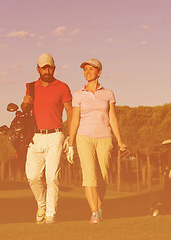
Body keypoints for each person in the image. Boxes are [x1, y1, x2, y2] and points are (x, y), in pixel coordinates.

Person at [67, 58, 126, 223]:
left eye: (91, 69)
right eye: (85, 69)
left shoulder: (108, 94)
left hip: (105, 137)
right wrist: (70, 144)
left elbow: (112, 118)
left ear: (99, 72)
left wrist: (120, 142)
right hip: (84, 137)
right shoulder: (78, 95)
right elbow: (74, 120)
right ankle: (94, 212)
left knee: (103, 178)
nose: (87, 72)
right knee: (89, 176)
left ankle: (99, 207)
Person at [21, 53, 73, 224]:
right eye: (43, 67)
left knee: (52, 178)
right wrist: (25, 103)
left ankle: (50, 214)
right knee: (33, 177)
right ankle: (41, 205)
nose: (46, 70)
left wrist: (70, 139)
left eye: (49, 67)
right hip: (35, 137)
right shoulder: (31, 87)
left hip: (56, 136)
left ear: (54, 68)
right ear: (38, 69)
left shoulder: (63, 87)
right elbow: (25, 108)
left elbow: (70, 112)